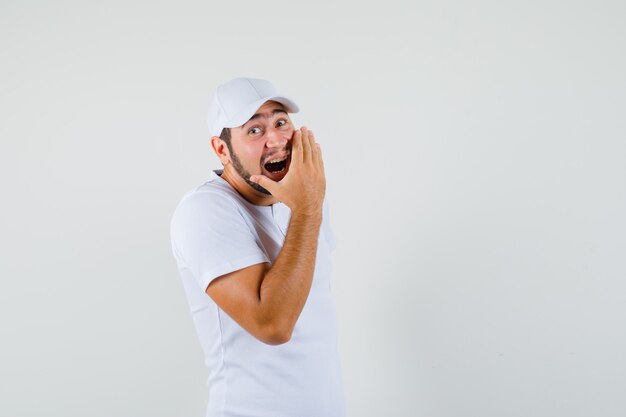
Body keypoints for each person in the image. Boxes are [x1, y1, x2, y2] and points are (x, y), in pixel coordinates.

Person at [169, 77, 345, 417]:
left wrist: (306, 205)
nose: (276, 139)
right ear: (222, 150)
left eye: (281, 122)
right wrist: (307, 209)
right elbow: (273, 325)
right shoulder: (204, 210)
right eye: (254, 130)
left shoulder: (302, 197)